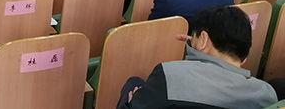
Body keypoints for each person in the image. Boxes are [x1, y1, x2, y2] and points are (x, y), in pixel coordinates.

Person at [117, 6, 278, 109]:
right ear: (245, 56)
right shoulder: (266, 94)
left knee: (134, 83)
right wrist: (198, 45)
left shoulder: (170, 74)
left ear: (204, 39)